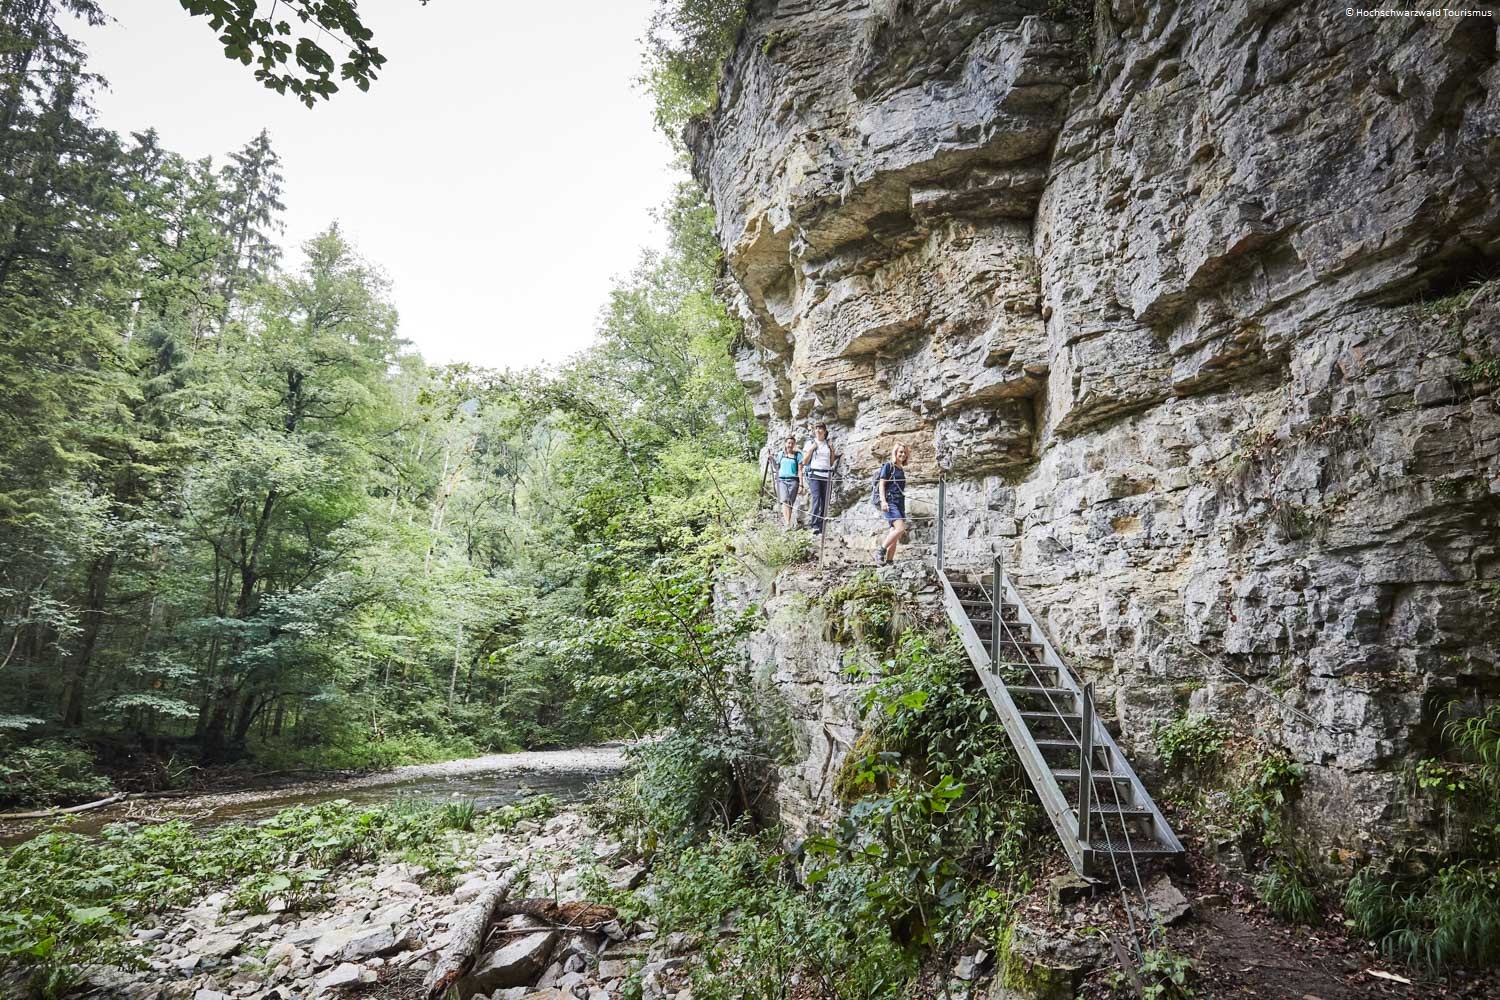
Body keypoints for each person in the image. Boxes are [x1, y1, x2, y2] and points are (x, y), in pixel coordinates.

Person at [875, 443, 909, 565]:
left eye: (905, 453)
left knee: (894, 532)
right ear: (895, 453)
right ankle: (880, 552)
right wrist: (883, 501)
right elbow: (882, 484)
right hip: (890, 501)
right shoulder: (889, 466)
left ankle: (889, 561)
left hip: (900, 502)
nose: (903, 454)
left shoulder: (900, 469)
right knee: (900, 528)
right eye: (900, 452)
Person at [802, 423, 838, 536]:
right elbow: (804, 461)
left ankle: (822, 527)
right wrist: (811, 449)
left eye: (820, 429)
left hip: (826, 475)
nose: (818, 431)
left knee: (825, 501)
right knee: (816, 498)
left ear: (825, 431)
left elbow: (831, 462)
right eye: (816, 429)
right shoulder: (810, 443)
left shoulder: (828, 444)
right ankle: (814, 525)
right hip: (815, 474)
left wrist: (832, 450)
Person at [771, 435, 804, 529]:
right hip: (781, 480)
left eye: (792, 443)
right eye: (789, 443)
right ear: (785, 444)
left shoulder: (798, 455)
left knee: (790, 503)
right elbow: (776, 467)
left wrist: (801, 485)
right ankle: (788, 523)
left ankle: (788, 523)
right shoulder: (781, 454)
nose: (790, 445)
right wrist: (772, 459)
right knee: (785, 500)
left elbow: (800, 470)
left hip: (793, 481)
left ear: (794, 444)